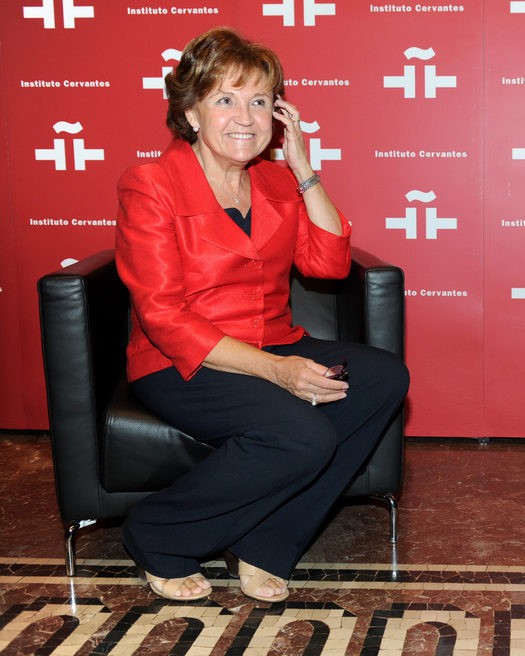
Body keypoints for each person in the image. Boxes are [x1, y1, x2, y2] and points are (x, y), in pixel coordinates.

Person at [115, 27, 409, 604]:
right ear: (191, 113)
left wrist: (302, 167)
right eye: (225, 99)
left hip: (273, 340)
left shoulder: (275, 180)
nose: (244, 117)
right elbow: (163, 314)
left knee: (383, 376)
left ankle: (267, 541)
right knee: (298, 433)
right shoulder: (151, 184)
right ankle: (159, 533)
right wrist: (278, 374)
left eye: (259, 101)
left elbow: (328, 265)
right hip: (184, 361)